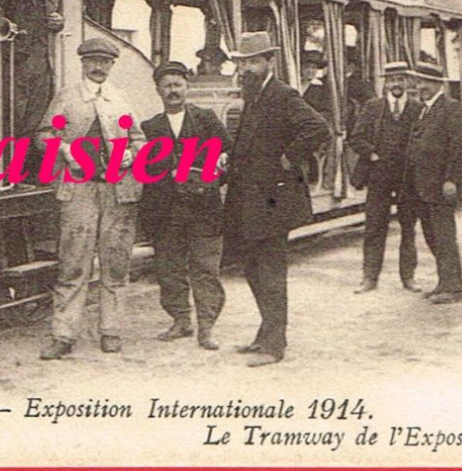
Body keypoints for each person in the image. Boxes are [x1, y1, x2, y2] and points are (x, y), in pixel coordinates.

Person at [220, 32, 328, 367]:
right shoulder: (253, 96)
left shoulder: (282, 94)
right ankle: (265, 335)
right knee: (253, 268)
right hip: (251, 198)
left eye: (254, 61)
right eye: (243, 62)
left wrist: (288, 158)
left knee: (270, 270)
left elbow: (318, 128)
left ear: (270, 62)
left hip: (273, 199)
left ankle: (274, 344)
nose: (247, 68)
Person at [38, 36, 146, 360]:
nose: (99, 68)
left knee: (115, 262)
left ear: (112, 65)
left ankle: (111, 330)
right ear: (83, 63)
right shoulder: (67, 98)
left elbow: (139, 138)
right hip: (79, 190)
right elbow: (44, 136)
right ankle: (63, 334)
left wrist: (129, 154)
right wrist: (65, 149)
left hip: (118, 192)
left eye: (105, 62)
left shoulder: (120, 99)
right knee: (73, 262)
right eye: (92, 61)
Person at [138, 62, 230, 349]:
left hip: (204, 208)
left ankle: (207, 327)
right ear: (158, 91)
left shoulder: (206, 119)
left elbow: (227, 151)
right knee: (169, 267)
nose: (173, 91)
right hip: (167, 210)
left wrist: (216, 167)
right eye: (167, 86)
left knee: (205, 268)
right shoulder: (150, 127)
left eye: (178, 85)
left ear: (187, 88)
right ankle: (180, 320)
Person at [350, 61, 423, 294]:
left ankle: (408, 277)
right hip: (378, 176)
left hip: (407, 178)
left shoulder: (417, 109)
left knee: (408, 228)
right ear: (385, 83)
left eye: (400, 79)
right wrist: (372, 154)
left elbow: (425, 140)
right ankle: (369, 278)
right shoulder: (373, 107)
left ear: (407, 82)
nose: (396, 84)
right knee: (374, 227)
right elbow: (357, 137)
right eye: (392, 80)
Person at [406, 63, 462, 304]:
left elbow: (460, 148)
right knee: (432, 236)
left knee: (444, 237)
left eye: (425, 82)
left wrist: (450, 179)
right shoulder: (425, 110)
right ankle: (443, 282)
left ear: (439, 84)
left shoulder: (452, 109)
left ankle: (453, 288)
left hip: (440, 186)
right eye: (418, 82)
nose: (420, 87)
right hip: (424, 187)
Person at [0, 0, 65, 137]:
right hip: (16, 56)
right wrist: (4, 21)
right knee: (15, 111)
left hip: (43, 59)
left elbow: (63, 13)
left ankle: (28, 164)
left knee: (39, 114)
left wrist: (60, 22)